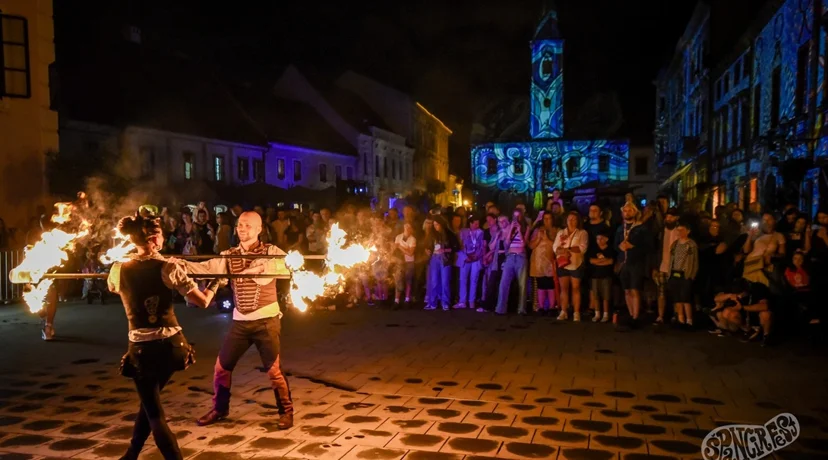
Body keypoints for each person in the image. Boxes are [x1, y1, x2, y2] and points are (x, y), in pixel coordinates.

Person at [108, 214, 218, 460]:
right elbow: (202, 302)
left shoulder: (118, 269)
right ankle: (132, 454)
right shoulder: (170, 267)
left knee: (152, 409)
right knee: (150, 406)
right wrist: (214, 285)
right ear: (155, 239)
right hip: (171, 345)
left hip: (142, 349)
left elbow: (113, 288)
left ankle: (138, 455)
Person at [178, 212, 294, 429]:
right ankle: (220, 409)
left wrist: (256, 268)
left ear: (259, 229)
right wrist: (180, 265)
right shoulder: (228, 255)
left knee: (273, 371)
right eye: (239, 225)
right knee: (221, 368)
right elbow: (207, 267)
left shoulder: (271, 252)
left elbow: (285, 267)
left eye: (248, 226)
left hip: (266, 321)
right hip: (240, 322)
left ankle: (286, 411)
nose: (242, 229)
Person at [553, 211, 589, 321]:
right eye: (569, 219)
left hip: (575, 263)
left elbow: (582, 248)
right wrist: (560, 250)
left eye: (574, 219)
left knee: (576, 288)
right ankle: (564, 311)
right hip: (563, 263)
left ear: (578, 221)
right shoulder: (561, 233)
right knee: (564, 288)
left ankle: (576, 312)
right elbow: (555, 247)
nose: (571, 221)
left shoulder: (582, 233)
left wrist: (567, 249)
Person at [667, 220, 699, 327]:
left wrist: (691, 275)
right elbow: (671, 259)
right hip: (675, 273)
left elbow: (695, 261)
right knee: (677, 298)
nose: (679, 232)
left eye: (682, 230)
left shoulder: (691, 245)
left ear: (688, 231)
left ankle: (689, 320)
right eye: (678, 230)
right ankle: (680, 319)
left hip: (685, 274)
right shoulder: (675, 244)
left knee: (686, 298)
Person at [587, 229, 615, 322]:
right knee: (596, 296)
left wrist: (597, 261)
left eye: (601, 238)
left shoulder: (610, 249)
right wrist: (603, 261)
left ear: (606, 239)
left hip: (606, 275)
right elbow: (591, 261)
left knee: (606, 296)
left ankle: (606, 314)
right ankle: (597, 313)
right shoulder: (593, 248)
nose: (599, 241)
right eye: (597, 239)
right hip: (595, 275)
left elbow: (610, 261)